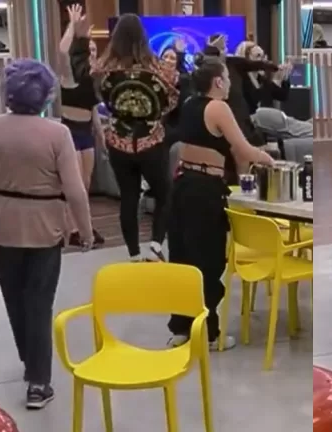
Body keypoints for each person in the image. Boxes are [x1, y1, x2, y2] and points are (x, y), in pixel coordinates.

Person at [0, 58, 93, 409]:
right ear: (46, 95)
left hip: (2, 227)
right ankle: (38, 381)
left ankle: (31, 361)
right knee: (39, 303)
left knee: (15, 301)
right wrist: (85, 231)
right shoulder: (58, 133)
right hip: (45, 228)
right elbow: (75, 190)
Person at [166, 57, 275, 350]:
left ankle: (182, 326)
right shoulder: (218, 107)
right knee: (208, 259)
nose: (229, 84)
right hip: (204, 189)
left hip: (182, 185)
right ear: (217, 81)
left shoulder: (190, 103)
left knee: (182, 256)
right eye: (227, 78)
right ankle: (209, 332)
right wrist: (269, 159)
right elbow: (244, 149)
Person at [69, 12, 179, 262]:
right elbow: (171, 99)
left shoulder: (104, 68)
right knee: (164, 193)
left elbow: (80, 72)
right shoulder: (158, 68)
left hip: (118, 141)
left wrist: (80, 41)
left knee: (129, 197)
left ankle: (133, 254)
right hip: (151, 141)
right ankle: (155, 245)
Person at [200, 34, 278, 184]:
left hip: (242, 114)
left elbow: (253, 65)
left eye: (225, 45)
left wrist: (273, 66)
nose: (224, 48)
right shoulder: (209, 69)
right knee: (240, 152)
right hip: (227, 115)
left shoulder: (233, 63)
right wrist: (213, 49)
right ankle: (243, 185)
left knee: (257, 146)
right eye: (220, 46)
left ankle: (258, 183)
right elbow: (206, 59)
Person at [58, 5, 104, 247]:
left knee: (85, 184)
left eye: (95, 50)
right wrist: (72, 25)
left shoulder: (93, 79)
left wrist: (101, 136)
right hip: (70, 132)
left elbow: (93, 110)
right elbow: (62, 51)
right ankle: (73, 229)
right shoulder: (69, 77)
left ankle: (85, 225)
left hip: (86, 132)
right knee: (73, 185)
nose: (93, 54)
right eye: (89, 50)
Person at [235, 41, 292, 114]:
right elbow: (254, 100)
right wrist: (275, 81)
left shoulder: (261, 78)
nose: (263, 60)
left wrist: (285, 77)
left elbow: (282, 96)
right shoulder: (241, 80)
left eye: (263, 56)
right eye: (258, 56)